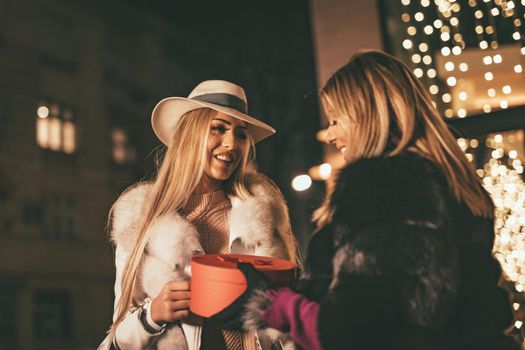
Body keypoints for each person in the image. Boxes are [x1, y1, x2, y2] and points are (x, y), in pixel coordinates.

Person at [211, 50, 521, 350]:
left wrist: (269, 303)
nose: (329, 135)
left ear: (366, 116)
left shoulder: (388, 186)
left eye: (335, 121)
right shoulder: (447, 181)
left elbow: (359, 332)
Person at [98, 80, 298, 350]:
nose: (232, 144)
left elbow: (289, 325)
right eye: (218, 128)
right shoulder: (142, 220)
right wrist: (152, 315)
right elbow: (118, 338)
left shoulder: (261, 213)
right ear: (189, 135)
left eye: (241, 134)